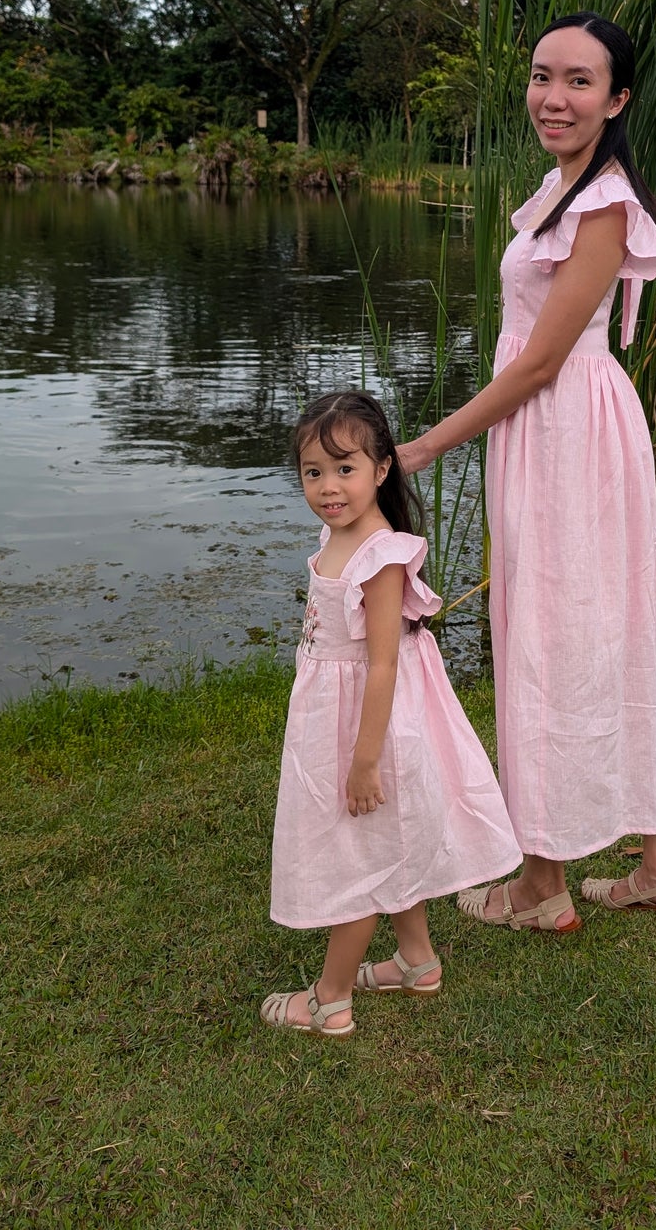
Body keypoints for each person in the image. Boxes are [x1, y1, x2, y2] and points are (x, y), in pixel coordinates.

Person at [397, 14, 656, 935]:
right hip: (551, 428)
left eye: (579, 81)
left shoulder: (605, 205)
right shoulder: (557, 189)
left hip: (565, 428)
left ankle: (540, 881)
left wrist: (419, 447)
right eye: (541, 76)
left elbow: (536, 364)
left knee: (555, 637)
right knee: (588, 633)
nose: (554, 97)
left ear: (616, 99)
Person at [262, 390, 521, 1036]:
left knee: (358, 857)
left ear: (382, 469)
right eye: (312, 472)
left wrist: (364, 760)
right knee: (387, 843)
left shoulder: (381, 555)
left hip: (368, 727)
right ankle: (416, 958)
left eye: (345, 468)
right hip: (336, 714)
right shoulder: (339, 532)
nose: (327, 486)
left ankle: (329, 998)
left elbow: (382, 664)